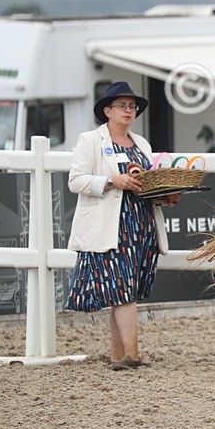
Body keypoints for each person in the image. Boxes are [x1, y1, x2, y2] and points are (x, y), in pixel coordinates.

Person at [66, 81, 179, 370]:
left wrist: (164, 194)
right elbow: (75, 180)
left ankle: (119, 357)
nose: (128, 111)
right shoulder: (91, 140)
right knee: (122, 289)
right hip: (110, 225)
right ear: (107, 111)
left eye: (132, 106)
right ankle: (132, 354)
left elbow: (148, 181)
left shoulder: (142, 144)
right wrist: (110, 181)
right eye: (122, 106)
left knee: (123, 291)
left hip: (141, 223)